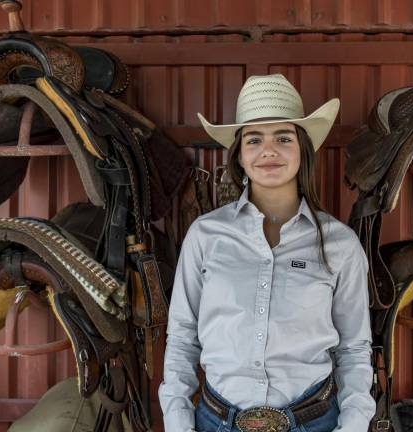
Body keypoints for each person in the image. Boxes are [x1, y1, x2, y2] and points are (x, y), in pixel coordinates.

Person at [158, 74, 375, 432]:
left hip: (314, 423)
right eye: (254, 139)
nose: (268, 151)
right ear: (240, 156)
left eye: (283, 138)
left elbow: (353, 349)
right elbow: (183, 337)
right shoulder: (206, 236)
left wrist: (352, 427)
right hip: (215, 422)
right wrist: (179, 423)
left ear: (302, 149)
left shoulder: (340, 244)